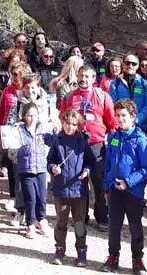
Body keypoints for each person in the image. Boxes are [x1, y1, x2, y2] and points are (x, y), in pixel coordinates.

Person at [60, 65, 116, 231]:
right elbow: (62, 117)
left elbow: (112, 121)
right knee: (78, 181)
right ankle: (81, 216)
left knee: (99, 182)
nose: (83, 79)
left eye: (87, 76)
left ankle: (102, 217)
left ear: (93, 79)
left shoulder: (102, 96)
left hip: (96, 144)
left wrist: (112, 143)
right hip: (76, 144)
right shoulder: (70, 96)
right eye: (81, 76)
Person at [102, 99, 147, 275]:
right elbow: (108, 164)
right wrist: (107, 187)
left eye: (123, 115)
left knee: (135, 226)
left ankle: (137, 260)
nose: (120, 119)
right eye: (117, 115)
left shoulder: (141, 140)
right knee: (114, 226)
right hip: (114, 189)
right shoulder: (114, 137)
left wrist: (128, 182)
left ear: (133, 117)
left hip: (133, 191)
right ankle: (113, 256)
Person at [48, 109, 95, 266]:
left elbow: (90, 161)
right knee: (61, 222)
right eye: (67, 123)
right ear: (63, 122)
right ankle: (59, 250)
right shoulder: (57, 140)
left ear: (78, 126)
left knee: (79, 223)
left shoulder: (82, 141)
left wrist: (86, 171)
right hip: (61, 189)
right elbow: (50, 160)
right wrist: (53, 168)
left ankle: (81, 252)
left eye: (74, 124)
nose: (70, 127)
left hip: (79, 190)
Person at [0, 63, 33, 224]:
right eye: (14, 74)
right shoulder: (7, 91)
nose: (17, 77)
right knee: (14, 170)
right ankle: (16, 200)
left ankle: (31, 210)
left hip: (29, 138)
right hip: (11, 135)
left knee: (28, 174)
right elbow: (1, 112)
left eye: (20, 74)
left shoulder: (32, 90)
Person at [17, 102, 55, 238]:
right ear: (23, 116)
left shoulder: (43, 129)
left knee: (42, 197)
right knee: (30, 198)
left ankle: (42, 219)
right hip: (26, 169)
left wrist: (55, 132)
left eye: (34, 115)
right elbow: (11, 146)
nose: (32, 118)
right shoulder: (19, 130)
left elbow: (53, 142)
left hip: (41, 168)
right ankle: (30, 224)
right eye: (29, 115)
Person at [109, 55, 147, 134]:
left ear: (137, 66)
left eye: (134, 64)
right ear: (123, 64)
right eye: (127, 63)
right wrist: (123, 120)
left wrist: (136, 120)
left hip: (141, 127)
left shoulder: (144, 84)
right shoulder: (115, 84)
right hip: (122, 126)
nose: (130, 66)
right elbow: (113, 104)